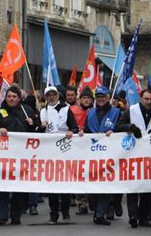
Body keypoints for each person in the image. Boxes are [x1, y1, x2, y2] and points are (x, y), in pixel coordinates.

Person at [0, 85, 40, 226]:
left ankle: (15, 216)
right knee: (3, 187)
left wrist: (33, 123)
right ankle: (2, 215)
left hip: (22, 156)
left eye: (14, 96)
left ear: (19, 98)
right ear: (5, 97)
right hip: (3, 156)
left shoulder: (27, 110)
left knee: (18, 187)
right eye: (9, 96)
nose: (11, 99)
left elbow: (37, 130)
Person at [116, 89, 151, 228]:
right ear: (141, 98)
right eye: (146, 99)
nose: (149, 102)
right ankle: (133, 215)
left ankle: (143, 217)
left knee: (147, 188)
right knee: (133, 187)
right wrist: (130, 127)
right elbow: (119, 126)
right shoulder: (131, 110)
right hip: (133, 154)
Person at [40, 86, 79, 224]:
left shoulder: (66, 109)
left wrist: (71, 131)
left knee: (64, 185)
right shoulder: (43, 111)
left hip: (64, 150)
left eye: (54, 94)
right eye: (49, 95)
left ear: (58, 95)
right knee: (52, 186)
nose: (51, 97)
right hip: (50, 152)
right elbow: (37, 132)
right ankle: (54, 214)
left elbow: (74, 126)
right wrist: (41, 126)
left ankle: (66, 211)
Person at [84, 86, 122, 226]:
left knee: (105, 184)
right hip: (93, 153)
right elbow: (87, 130)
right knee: (93, 185)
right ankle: (95, 208)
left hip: (109, 154)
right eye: (98, 96)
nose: (101, 99)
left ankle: (100, 214)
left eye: (103, 96)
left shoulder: (117, 112)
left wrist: (114, 131)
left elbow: (121, 127)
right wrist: (82, 134)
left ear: (108, 97)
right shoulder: (90, 112)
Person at [69, 86, 94, 215]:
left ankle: (92, 199)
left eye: (88, 98)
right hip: (77, 147)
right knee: (79, 175)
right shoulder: (72, 110)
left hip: (92, 148)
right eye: (84, 98)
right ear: (80, 99)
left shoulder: (95, 111)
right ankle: (81, 203)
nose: (86, 100)